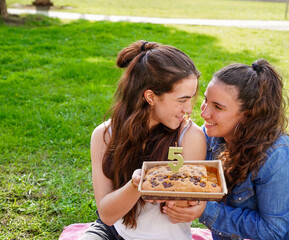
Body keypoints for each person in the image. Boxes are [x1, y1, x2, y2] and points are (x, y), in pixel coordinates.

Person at [163, 59, 289, 240]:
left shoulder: (277, 155)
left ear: (248, 115)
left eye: (218, 107)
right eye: (206, 100)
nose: (204, 112)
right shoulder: (213, 137)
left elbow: (271, 231)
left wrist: (205, 210)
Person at [82, 40, 206, 240]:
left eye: (191, 98)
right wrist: (137, 185)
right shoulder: (104, 135)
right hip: (114, 232)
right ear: (150, 96)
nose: (189, 109)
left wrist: (187, 199)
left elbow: (180, 212)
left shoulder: (190, 137)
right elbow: (106, 215)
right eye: (182, 100)